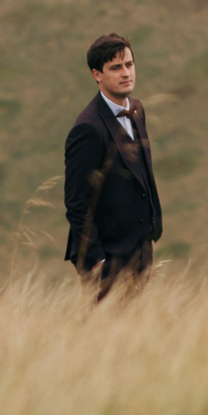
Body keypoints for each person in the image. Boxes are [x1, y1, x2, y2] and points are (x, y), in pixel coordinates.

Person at [64, 31, 162, 299]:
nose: (125, 73)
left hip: (139, 247)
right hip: (106, 255)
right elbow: (76, 203)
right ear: (97, 74)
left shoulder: (137, 109)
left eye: (129, 65)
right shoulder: (87, 128)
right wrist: (97, 260)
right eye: (115, 67)